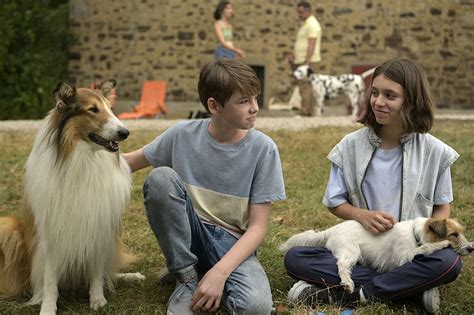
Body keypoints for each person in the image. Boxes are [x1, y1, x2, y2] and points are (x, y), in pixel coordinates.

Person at [283, 58, 462, 314]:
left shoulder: (435, 151)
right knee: (296, 258)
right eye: (375, 93)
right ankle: (407, 289)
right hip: (366, 251)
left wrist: (424, 238)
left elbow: (443, 208)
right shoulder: (349, 146)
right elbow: (335, 201)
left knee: (449, 261)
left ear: (411, 100)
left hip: (411, 251)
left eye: (390, 95)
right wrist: (361, 216)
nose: (378, 102)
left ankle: (347, 293)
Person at [124, 58, 286, 314]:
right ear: (214, 105)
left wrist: (220, 273)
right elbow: (125, 164)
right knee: (160, 179)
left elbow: (257, 227)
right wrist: (83, 155)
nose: (255, 108)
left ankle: (204, 271)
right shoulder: (181, 134)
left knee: (256, 308)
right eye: (243, 101)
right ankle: (187, 277)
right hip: (189, 233)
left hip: (232, 242)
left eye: (255, 98)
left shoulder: (264, 149)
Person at [287, 1, 322, 116]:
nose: (299, 15)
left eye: (301, 12)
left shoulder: (312, 24)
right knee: (304, 85)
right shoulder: (306, 23)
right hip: (301, 59)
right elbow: (302, 42)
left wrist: (307, 61)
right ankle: (308, 111)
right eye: (298, 12)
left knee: (305, 86)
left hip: (307, 60)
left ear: (308, 11)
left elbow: (312, 43)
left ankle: (305, 111)